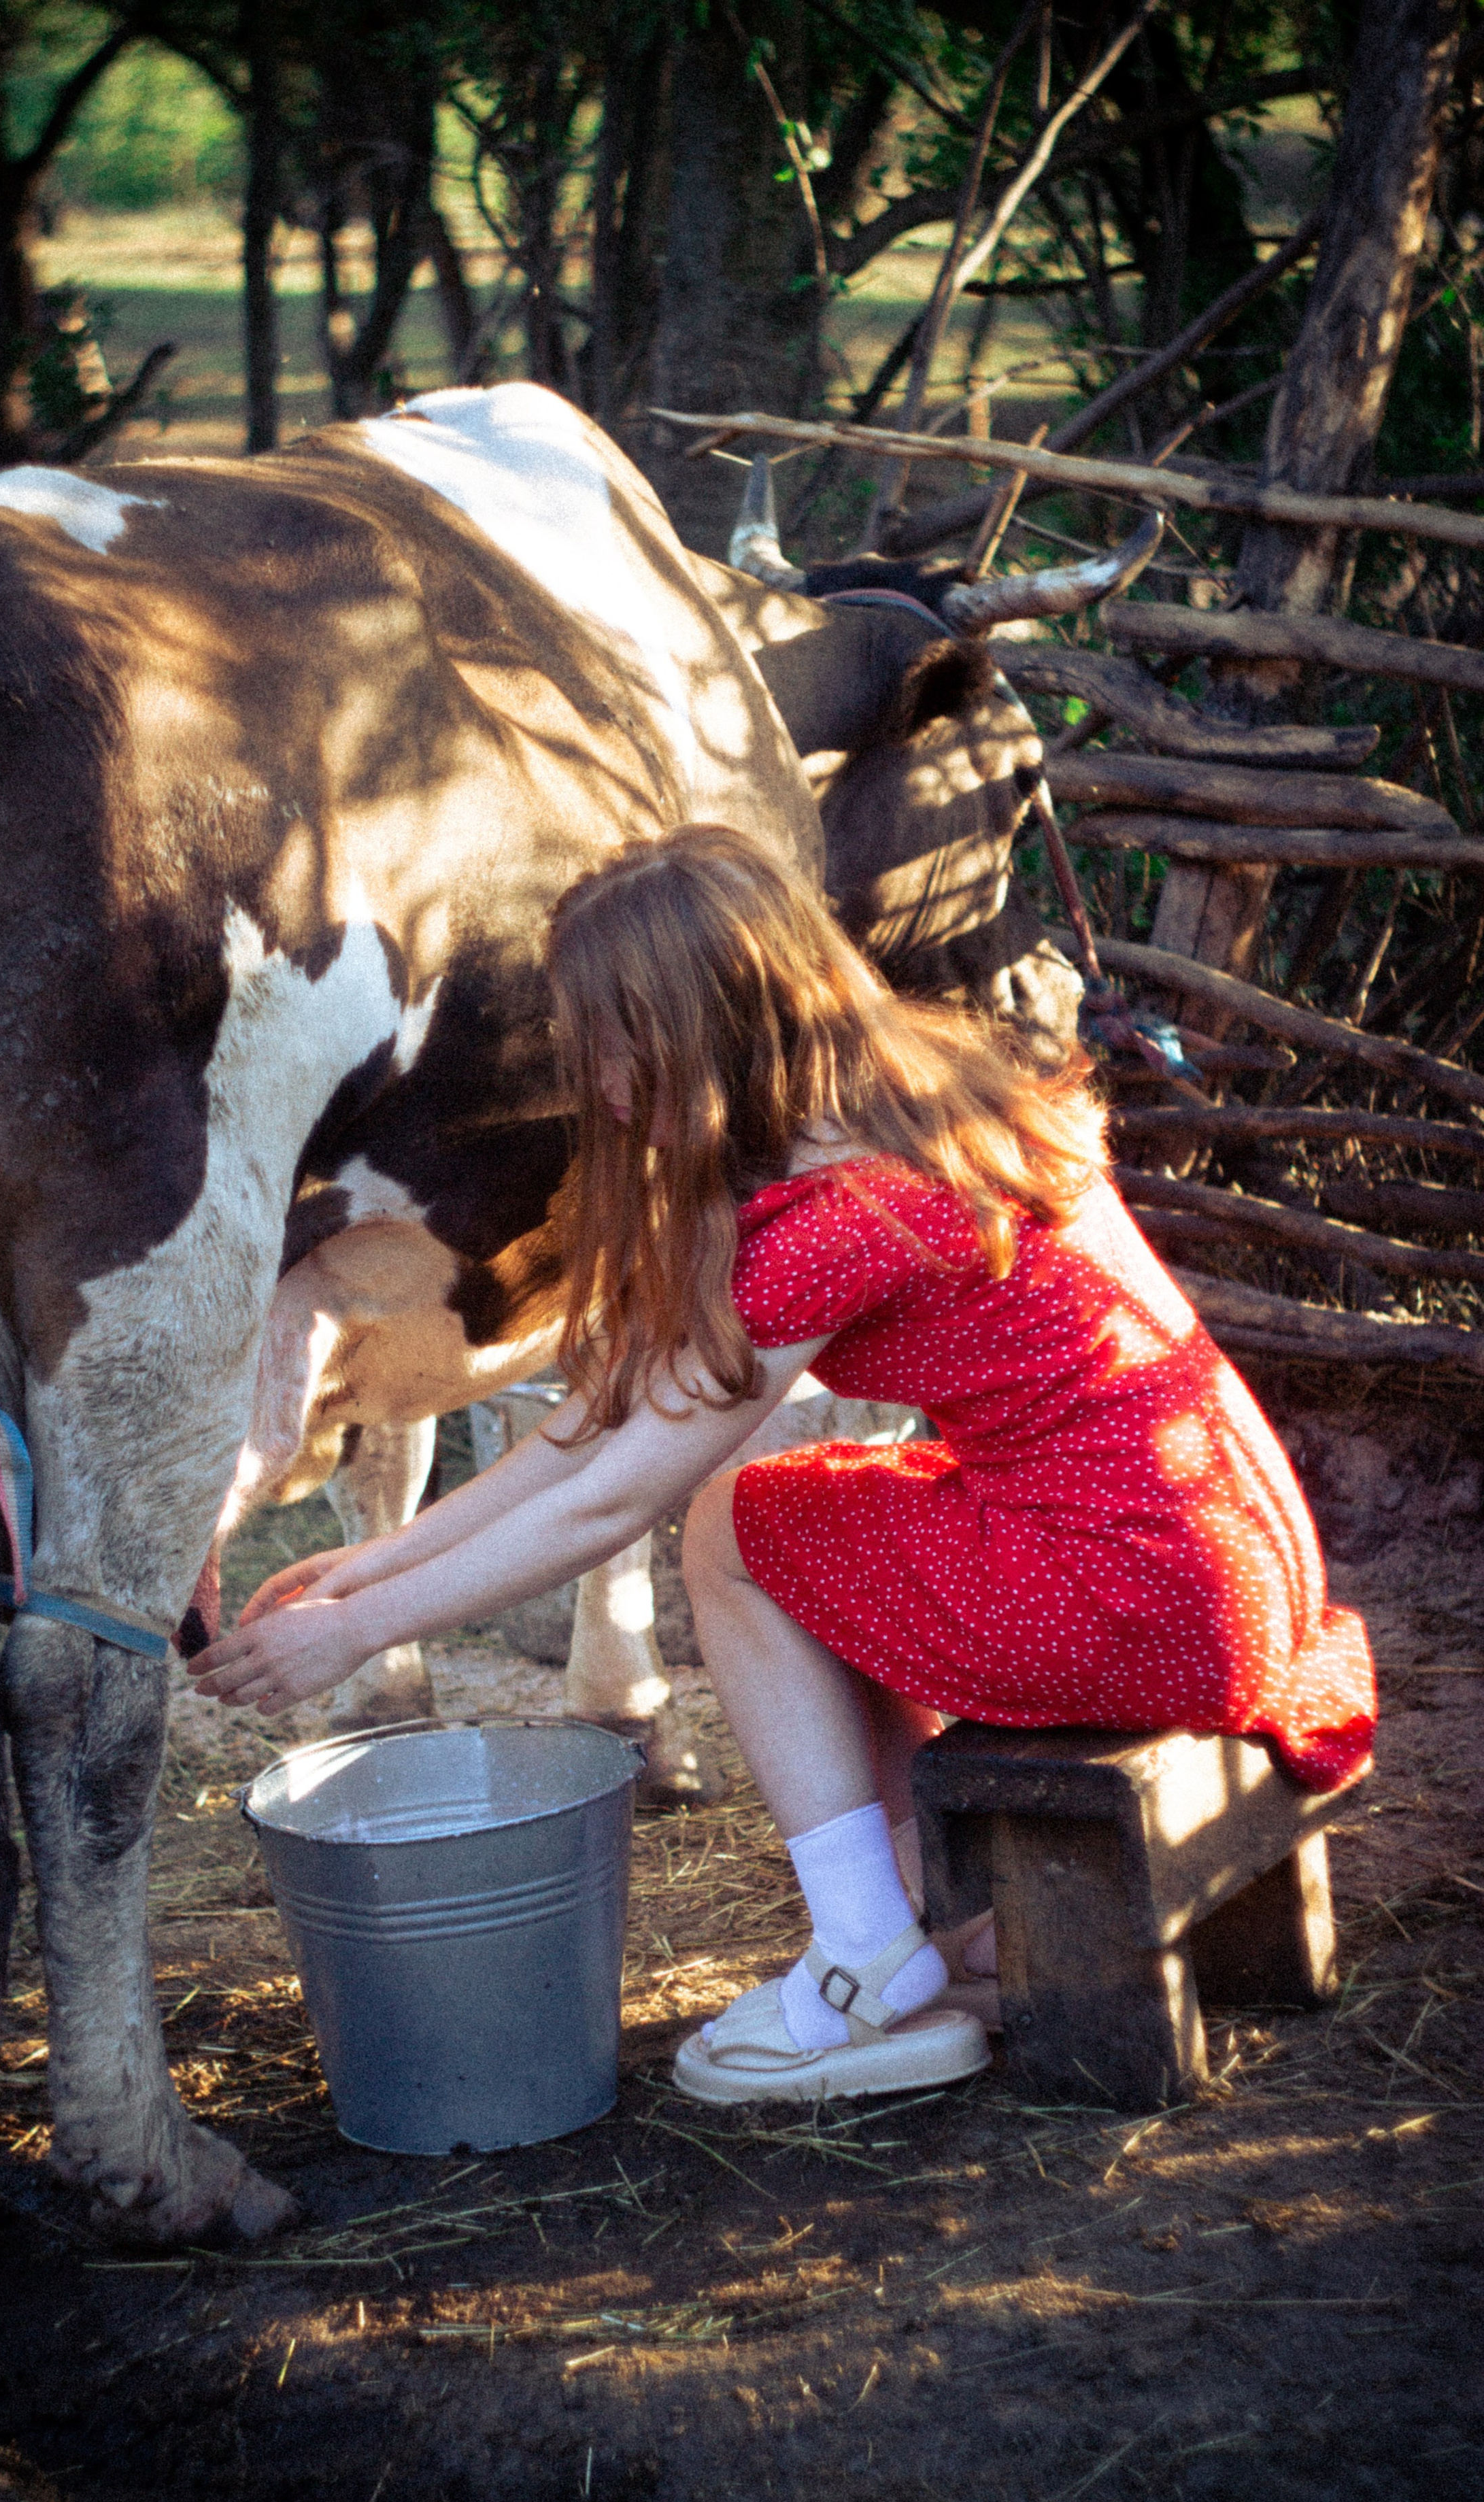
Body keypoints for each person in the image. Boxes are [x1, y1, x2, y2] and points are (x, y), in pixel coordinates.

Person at [190, 825, 1375, 2107]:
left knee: (732, 1529)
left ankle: (866, 1953)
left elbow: (612, 1495)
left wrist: (357, 1637)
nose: (589, 1077)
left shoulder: (842, 1216)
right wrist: (374, 1564)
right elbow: (603, 1422)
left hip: (1136, 1586)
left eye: (608, 1038)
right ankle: (928, 1912)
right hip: (1228, 1565)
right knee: (811, 1511)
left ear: (702, 1026)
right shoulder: (915, 1098)